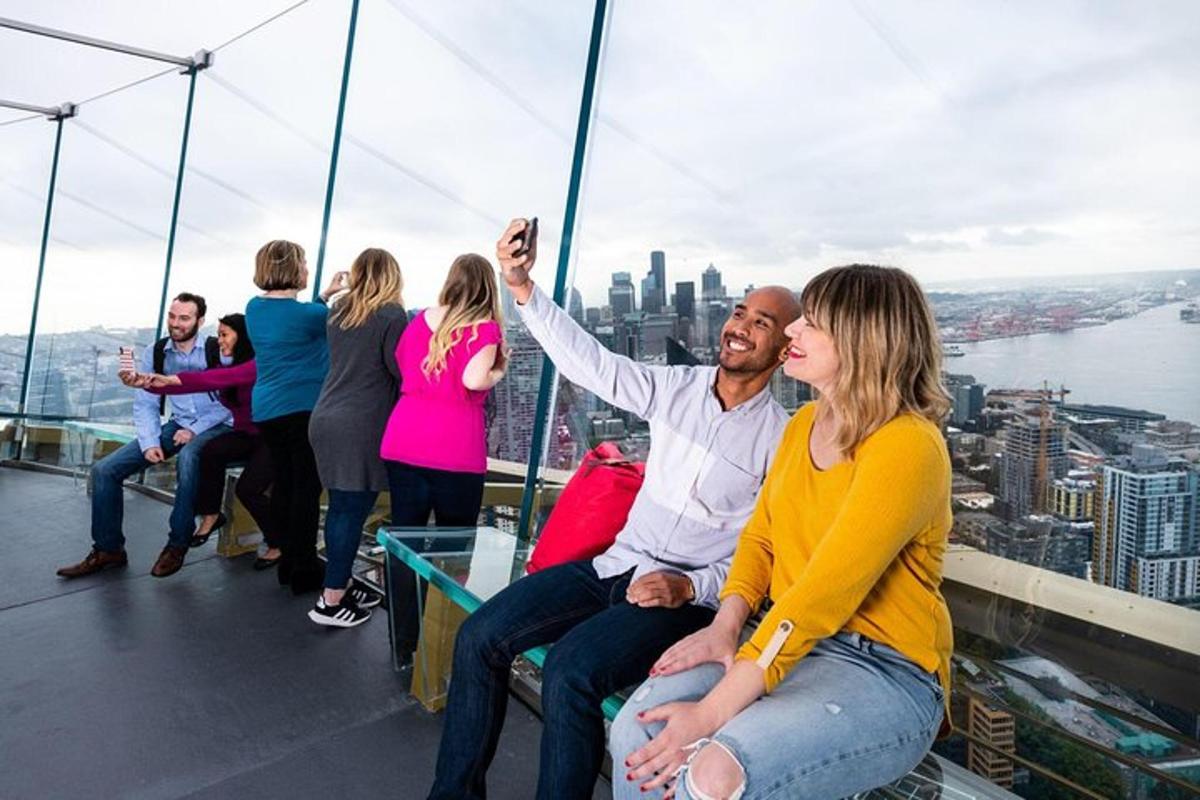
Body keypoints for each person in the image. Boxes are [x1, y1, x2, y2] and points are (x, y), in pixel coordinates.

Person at [424, 220, 800, 800]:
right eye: (739, 313)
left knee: (570, 671)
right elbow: (591, 365)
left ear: (783, 349)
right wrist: (523, 288)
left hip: (679, 599)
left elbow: (767, 554)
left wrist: (689, 587)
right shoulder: (676, 388)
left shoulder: (783, 441)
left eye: (761, 322)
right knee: (479, 637)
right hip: (614, 565)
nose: (739, 327)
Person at [611, 264, 954, 800]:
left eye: (811, 322)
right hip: (792, 645)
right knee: (639, 727)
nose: (793, 331)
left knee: (717, 773)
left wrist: (710, 714)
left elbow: (820, 596)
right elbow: (762, 539)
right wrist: (725, 627)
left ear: (862, 340)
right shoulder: (801, 426)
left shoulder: (908, 446)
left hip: (884, 670)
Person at [56, 293, 234, 580]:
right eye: (172, 316)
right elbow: (146, 403)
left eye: (184, 318)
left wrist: (195, 431)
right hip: (178, 424)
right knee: (105, 470)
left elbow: (228, 404)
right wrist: (151, 443)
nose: (176, 324)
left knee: (189, 457)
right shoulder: (157, 351)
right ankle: (108, 550)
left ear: (200, 321)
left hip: (217, 425)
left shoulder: (218, 352)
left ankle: (178, 543)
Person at [379, 253, 508, 648]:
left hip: (403, 439)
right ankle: (441, 640)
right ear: (488, 286)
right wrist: (498, 370)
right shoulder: (485, 329)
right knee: (454, 547)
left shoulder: (420, 320)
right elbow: (472, 379)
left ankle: (404, 637)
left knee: (406, 541)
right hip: (454, 451)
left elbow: (403, 366)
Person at [307, 248, 408, 628]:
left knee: (340, 507)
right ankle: (330, 601)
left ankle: (342, 582)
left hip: (326, 416)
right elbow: (397, 369)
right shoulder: (391, 314)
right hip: (360, 425)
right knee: (350, 511)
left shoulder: (339, 311)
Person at [134, 313, 282, 569]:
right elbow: (199, 385)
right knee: (209, 451)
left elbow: (213, 379)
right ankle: (212, 515)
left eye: (225, 335)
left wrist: (167, 380)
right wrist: (149, 384)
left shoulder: (257, 364)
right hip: (247, 433)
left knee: (248, 490)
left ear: (242, 337)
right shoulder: (228, 364)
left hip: (272, 437)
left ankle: (278, 542)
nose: (219, 340)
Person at [245, 239, 345, 594]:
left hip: (268, 410)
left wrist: (324, 295)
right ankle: (304, 569)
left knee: (286, 485)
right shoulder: (313, 316)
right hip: (303, 410)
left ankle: (288, 561)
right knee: (306, 490)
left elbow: (294, 319)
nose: (306, 269)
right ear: (292, 269)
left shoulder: (253, 308)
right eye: (303, 263)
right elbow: (322, 324)